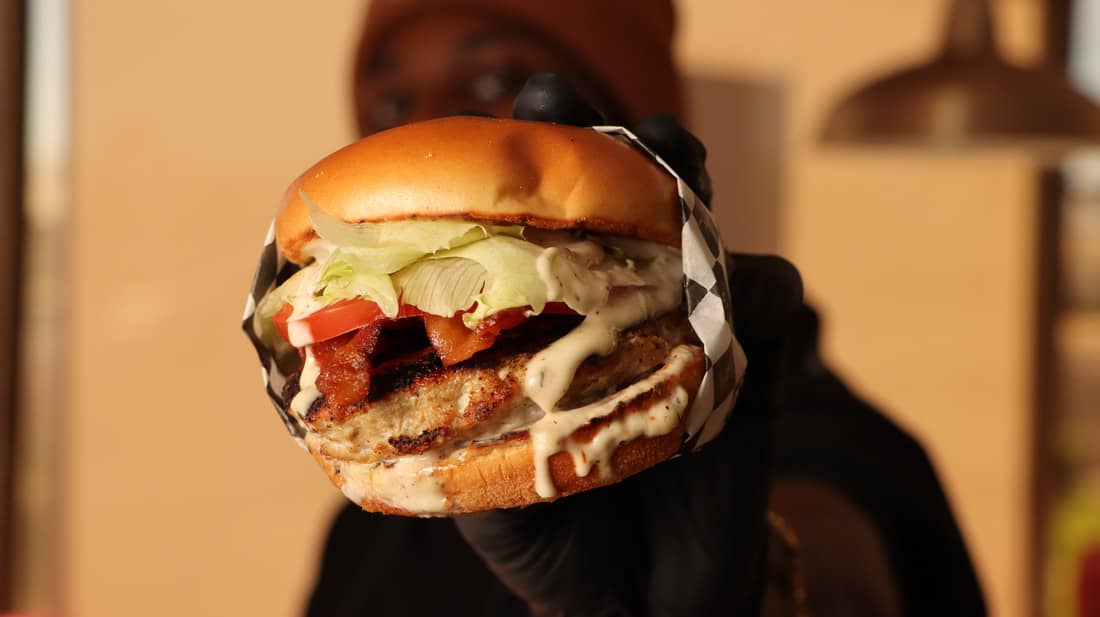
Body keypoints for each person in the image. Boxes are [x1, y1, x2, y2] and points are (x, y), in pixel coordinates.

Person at [306, 2, 988, 615]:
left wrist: (757, 589)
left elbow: (854, 562)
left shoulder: (806, 414)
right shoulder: (372, 508)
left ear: (619, 121)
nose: (432, 122)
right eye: (392, 99)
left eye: (490, 80)